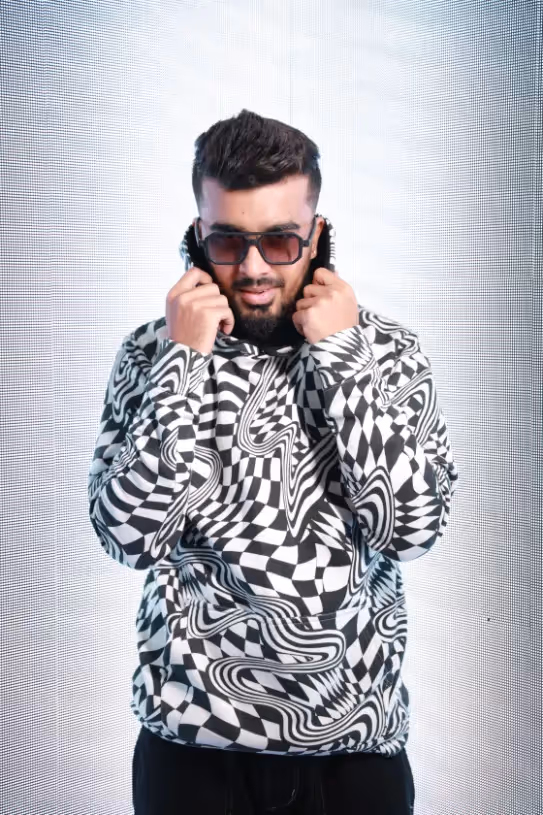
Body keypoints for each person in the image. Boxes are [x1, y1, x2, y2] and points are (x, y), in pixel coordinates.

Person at [88, 109, 459, 815]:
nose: (254, 268)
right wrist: (182, 362)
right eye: (228, 241)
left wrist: (343, 356)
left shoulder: (387, 352)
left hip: (354, 755)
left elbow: (412, 530)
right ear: (198, 234)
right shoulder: (150, 353)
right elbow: (128, 537)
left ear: (315, 235)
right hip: (189, 756)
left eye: (281, 241)